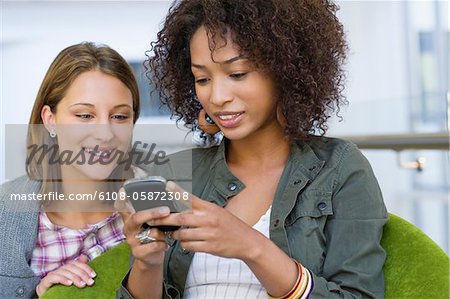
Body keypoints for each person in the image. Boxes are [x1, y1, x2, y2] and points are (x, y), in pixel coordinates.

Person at [118, 0, 388, 298]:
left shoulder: (339, 168)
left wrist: (252, 247)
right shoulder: (171, 173)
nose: (218, 97)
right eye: (203, 79)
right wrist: (147, 263)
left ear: (285, 69)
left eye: (237, 74)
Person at [0, 42, 143, 298]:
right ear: (50, 119)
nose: (105, 133)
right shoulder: (5, 210)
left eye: (120, 117)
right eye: (85, 116)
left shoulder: (153, 204)